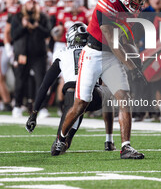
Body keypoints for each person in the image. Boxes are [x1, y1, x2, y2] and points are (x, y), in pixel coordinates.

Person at [51, 0, 148, 159]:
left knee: (124, 98)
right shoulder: (107, 4)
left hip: (111, 58)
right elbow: (112, 42)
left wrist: (136, 59)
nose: (139, 2)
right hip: (92, 55)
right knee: (81, 104)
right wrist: (132, 67)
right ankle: (60, 138)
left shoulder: (131, 12)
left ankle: (126, 147)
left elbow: (125, 39)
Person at [26, 23, 116, 153]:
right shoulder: (95, 53)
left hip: (70, 96)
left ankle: (61, 140)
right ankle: (109, 141)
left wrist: (34, 114)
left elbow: (45, 85)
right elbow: (103, 81)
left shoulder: (62, 53)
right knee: (106, 95)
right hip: (91, 96)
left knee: (59, 146)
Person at [9, 0, 51, 117]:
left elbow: (48, 33)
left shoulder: (42, 17)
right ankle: (17, 105)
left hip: (38, 54)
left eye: (34, 2)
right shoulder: (17, 17)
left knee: (41, 81)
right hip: (22, 54)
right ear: (25, 3)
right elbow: (13, 35)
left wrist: (37, 27)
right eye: (29, 2)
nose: (32, 5)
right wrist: (23, 26)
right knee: (20, 81)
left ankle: (42, 107)